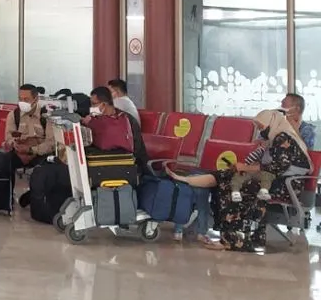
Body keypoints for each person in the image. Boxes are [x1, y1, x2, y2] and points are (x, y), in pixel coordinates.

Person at [169, 109, 312, 251]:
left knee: (231, 185)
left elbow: (275, 167)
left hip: (285, 186)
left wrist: (245, 167)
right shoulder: (274, 139)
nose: (260, 130)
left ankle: (232, 240)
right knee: (227, 177)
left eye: (261, 127)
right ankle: (184, 180)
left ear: (271, 123)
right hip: (272, 181)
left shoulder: (283, 138)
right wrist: (244, 168)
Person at [86, 86, 147, 169]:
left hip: (127, 165)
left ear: (103, 104)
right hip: (102, 163)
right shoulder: (95, 120)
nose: (91, 107)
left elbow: (137, 150)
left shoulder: (127, 120)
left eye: (94, 104)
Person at [4, 84, 55, 173]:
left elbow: (51, 143)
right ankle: (7, 186)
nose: (22, 102)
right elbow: (8, 137)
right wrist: (14, 144)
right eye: (20, 99)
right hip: (19, 153)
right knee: (4, 163)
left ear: (36, 99)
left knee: (46, 168)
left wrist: (31, 150)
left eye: (26, 99)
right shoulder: (13, 115)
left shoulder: (46, 116)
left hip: (40, 154)